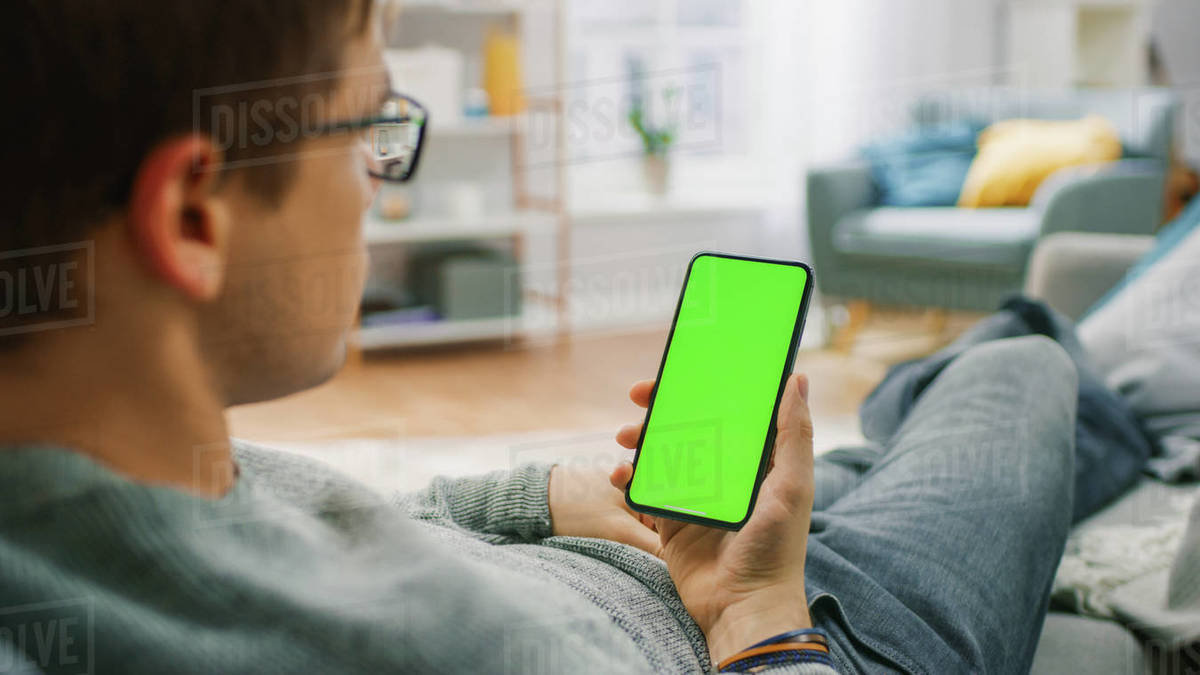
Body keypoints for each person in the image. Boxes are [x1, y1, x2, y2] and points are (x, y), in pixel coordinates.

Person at [0, 1, 1080, 673]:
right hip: (789, 635)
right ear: (195, 218)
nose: (377, 183)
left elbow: (345, 524)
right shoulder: (406, 647)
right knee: (1021, 359)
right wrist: (760, 614)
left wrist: (548, 495)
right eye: (369, 127)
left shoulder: (106, 482)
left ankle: (891, 443)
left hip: (643, 555)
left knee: (825, 468)